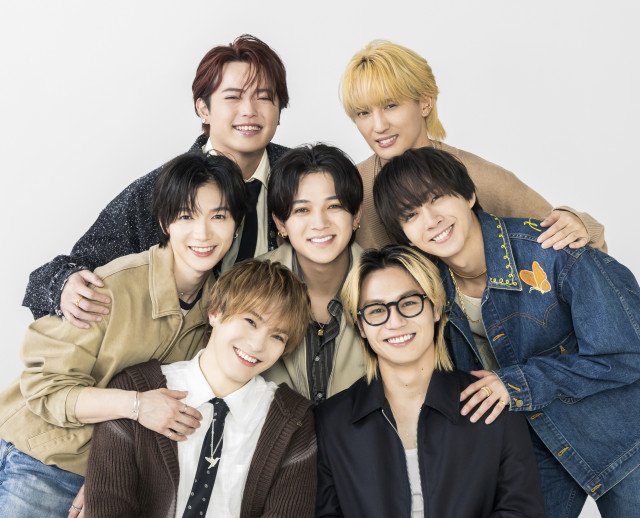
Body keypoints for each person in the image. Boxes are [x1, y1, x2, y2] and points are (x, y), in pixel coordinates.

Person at [374, 146, 640, 518]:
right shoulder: (431, 293)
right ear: (405, 234)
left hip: (624, 439)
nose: (431, 220)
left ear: (469, 194)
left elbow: (626, 354)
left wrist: (515, 384)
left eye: (436, 199)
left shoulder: (553, 251)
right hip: (534, 450)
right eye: (411, 214)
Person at [0, 152, 247, 517]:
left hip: (104, 473)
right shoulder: (111, 287)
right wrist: (137, 405)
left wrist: (105, 475)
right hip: (40, 459)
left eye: (219, 216)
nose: (203, 233)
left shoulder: (215, 312)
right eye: (186, 216)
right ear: (165, 222)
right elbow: (46, 389)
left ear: (236, 226)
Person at [23, 34, 289, 327]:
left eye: (264, 96)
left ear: (279, 109)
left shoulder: (302, 178)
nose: (249, 110)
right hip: (176, 350)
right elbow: (55, 276)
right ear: (203, 109)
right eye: (233, 96)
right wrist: (64, 284)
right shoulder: (159, 189)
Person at [315, 245, 546, 517]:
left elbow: (522, 511)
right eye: (376, 310)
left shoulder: (493, 408)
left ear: (436, 308)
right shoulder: (331, 422)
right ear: (361, 326)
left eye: (409, 303)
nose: (395, 322)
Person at [83, 259, 316, 518]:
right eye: (251, 321)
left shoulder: (292, 420)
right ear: (215, 312)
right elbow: (107, 507)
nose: (258, 345)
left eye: (277, 336)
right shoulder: (136, 389)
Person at [340, 39, 606, 253]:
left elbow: (579, 247)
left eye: (390, 105)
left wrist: (578, 223)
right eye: (363, 113)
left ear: (425, 103)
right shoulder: (351, 186)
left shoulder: (479, 177)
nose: (378, 126)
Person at [260, 144, 365, 403]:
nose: (320, 223)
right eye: (302, 210)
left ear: (356, 215)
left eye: (334, 206)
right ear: (281, 224)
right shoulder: (249, 285)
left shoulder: (389, 285)